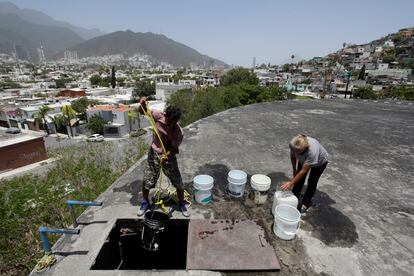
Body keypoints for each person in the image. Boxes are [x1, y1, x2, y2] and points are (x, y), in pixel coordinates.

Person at [137, 97, 189, 217]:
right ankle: (145, 202)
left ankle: (181, 203)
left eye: (174, 122)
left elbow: (174, 148)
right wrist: (143, 104)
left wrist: (167, 156)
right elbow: (142, 111)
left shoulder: (178, 132)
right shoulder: (158, 115)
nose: (171, 124)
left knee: (178, 182)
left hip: (168, 156)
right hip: (154, 152)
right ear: (166, 115)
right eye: (169, 121)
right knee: (147, 180)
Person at [281, 134, 328, 213]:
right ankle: (294, 196)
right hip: (303, 159)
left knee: (312, 181)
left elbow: (303, 171)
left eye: (297, 152)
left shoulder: (312, 152)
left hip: (319, 162)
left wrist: (291, 183)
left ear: (303, 150)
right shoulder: (294, 143)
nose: (294, 152)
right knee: (299, 180)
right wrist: (294, 169)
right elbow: (293, 155)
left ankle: (306, 202)